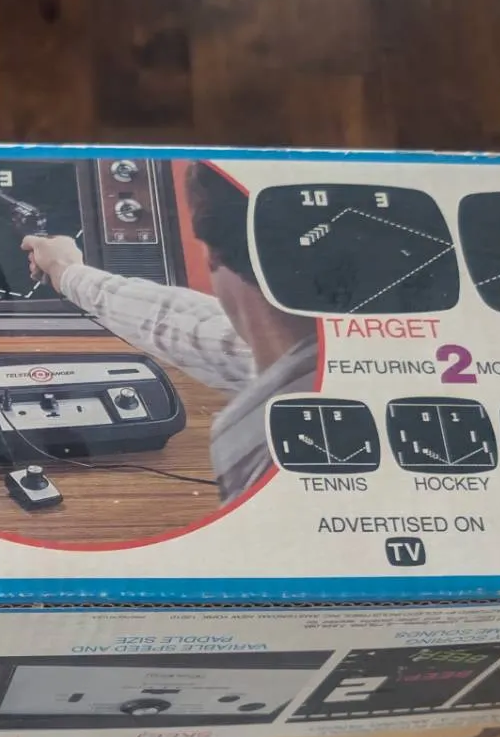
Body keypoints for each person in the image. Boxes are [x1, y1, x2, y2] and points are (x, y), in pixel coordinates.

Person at [20, 163, 317, 500]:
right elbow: (187, 327)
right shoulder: (295, 355)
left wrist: (65, 270)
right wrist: (67, 272)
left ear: (212, 254)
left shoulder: (260, 437)